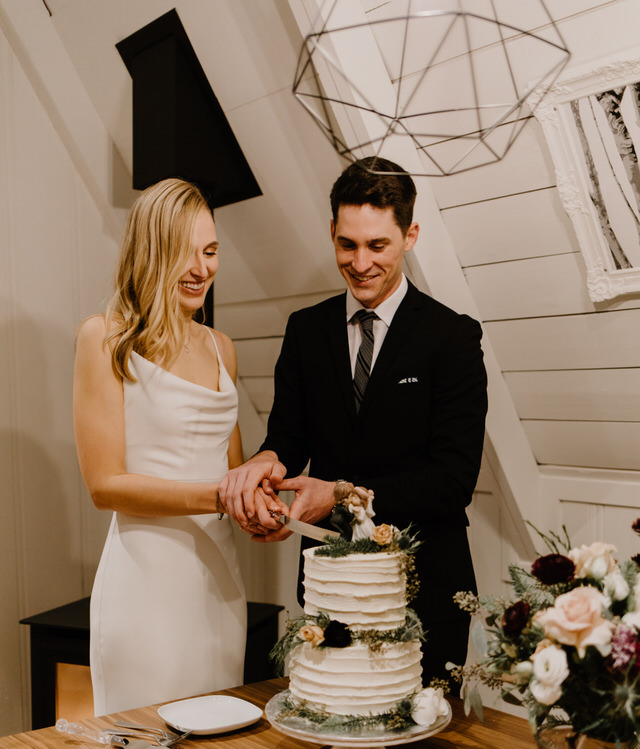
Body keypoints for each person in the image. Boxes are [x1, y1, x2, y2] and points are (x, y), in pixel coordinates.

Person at [221, 157, 487, 686]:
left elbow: (453, 480)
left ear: (409, 235)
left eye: (377, 245)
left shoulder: (452, 337)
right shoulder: (305, 330)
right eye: (347, 244)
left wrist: (342, 494)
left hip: (427, 592)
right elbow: (287, 440)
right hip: (329, 591)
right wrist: (262, 469)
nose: (360, 262)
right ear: (332, 234)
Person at [74, 178, 278, 715]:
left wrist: (257, 505)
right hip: (144, 588)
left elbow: (229, 472)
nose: (201, 268)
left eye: (210, 251)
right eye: (183, 253)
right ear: (149, 253)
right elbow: (104, 486)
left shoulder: (222, 348)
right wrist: (220, 497)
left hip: (218, 588)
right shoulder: (105, 339)